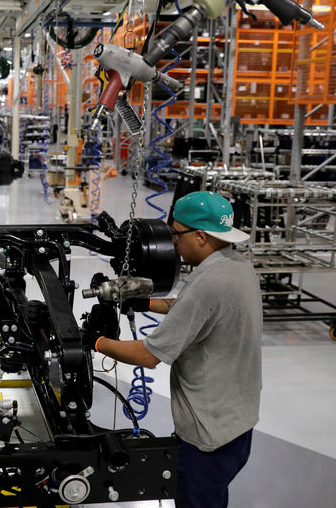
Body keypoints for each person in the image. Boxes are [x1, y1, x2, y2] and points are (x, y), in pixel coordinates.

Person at [84, 191, 262, 508]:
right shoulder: (237, 267)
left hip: (206, 439)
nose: (173, 244)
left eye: (176, 234)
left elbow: (148, 356)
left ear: (200, 236)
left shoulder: (208, 284)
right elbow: (193, 308)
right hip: (237, 426)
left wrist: (95, 341)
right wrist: (143, 302)